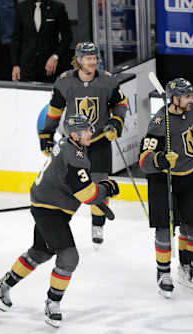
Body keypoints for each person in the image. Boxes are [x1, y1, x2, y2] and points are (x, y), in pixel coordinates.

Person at [0, 114, 120, 327]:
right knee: (69, 257)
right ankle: (52, 304)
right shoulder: (75, 155)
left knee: (41, 251)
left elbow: (76, 184)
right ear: (75, 134)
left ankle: (0, 287)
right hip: (50, 209)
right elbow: (88, 196)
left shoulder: (67, 145)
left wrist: (95, 190)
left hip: (46, 204)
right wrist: (107, 188)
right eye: (87, 130)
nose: (91, 133)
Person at [39, 42, 127, 246]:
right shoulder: (64, 82)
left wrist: (116, 122)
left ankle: (98, 223)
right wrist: (46, 134)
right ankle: (57, 222)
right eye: (88, 58)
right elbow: (54, 111)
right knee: (66, 184)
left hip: (98, 140)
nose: (93, 62)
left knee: (98, 184)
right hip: (72, 143)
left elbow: (120, 105)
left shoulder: (108, 81)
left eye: (95, 58)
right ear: (78, 60)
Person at [139, 78, 193, 298]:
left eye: (191, 95)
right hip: (164, 180)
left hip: (189, 176)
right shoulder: (160, 122)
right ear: (175, 98)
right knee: (164, 229)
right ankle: (163, 274)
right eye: (188, 96)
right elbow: (143, 159)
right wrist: (160, 159)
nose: (192, 100)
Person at [11, 0, 72, 82]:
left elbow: (67, 37)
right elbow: (16, 39)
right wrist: (15, 65)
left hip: (50, 69)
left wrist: (55, 56)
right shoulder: (21, 7)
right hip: (26, 67)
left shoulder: (57, 7)